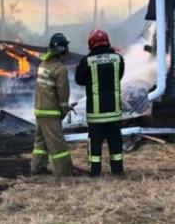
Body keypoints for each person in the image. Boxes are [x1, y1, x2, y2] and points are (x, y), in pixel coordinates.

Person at [75, 29, 125, 177]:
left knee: (95, 146)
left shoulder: (87, 61)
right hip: (114, 112)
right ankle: (118, 170)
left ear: (91, 44)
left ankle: (95, 173)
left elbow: (79, 80)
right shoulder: (118, 59)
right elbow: (119, 76)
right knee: (115, 143)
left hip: (96, 115)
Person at [31, 32, 74, 177]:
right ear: (62, 50)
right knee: (58, 143)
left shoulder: (43, 65)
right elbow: (63, 95)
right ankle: (65, 171)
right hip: (51, 112)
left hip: (40, 109)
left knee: (41, 142)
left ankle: (37, 167)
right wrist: (65, 109)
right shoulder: (60, 69)